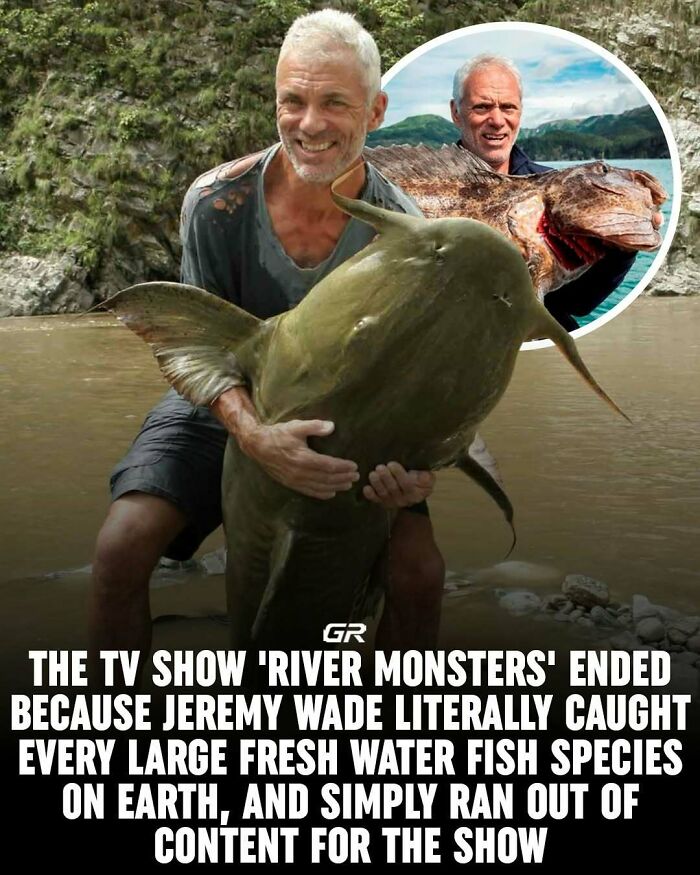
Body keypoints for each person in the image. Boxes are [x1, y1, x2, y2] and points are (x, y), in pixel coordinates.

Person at [89, 10, 445, 680]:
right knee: (120, 548)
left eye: (334, 103)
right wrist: (254, 436)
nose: (309, 124)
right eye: (293, 101)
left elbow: (415, 375)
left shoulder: (408, 232)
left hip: (348, 414)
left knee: (420, 574)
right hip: (225, 397)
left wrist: (418, 467)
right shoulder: (217, 202)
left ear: (375, 111)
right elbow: (196, 350)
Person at [449, 54, 660, 331]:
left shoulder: (560, 189)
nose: (497, 120)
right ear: (456, 112)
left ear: (520, 112)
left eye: (508, 107)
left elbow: (576, 304)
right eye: (482, 107)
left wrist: (620, 251)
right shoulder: (410, 187)